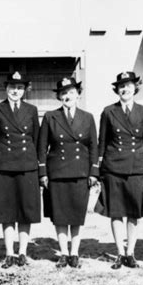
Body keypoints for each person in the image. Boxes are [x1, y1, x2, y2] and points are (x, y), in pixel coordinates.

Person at [38, 77, 99, 268]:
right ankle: (63, 253)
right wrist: (43, 173)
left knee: (76, 215)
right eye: (63, 93)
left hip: (80, 173)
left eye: (71, 92)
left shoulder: (87, 117)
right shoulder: (50, 117)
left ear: (78, 95)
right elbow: (42, 147)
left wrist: (93, 172)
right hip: (57, 173)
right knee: (60, 215)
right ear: (59, 96)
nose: (67, 96)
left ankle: (75, 253)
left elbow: (93, 147)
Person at [95, 71, 143, 269]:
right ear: (116, 90)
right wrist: (98, 170)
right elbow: (102, 143)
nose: (125, 89)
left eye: (128, 86)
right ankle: (120, 252)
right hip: (113, 168)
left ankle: (131, 253)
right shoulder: (108, 111)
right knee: (116, 212)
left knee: (133, 212)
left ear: (135, 88)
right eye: (121, 86)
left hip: (136, 168)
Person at [0, 71, 41, 268]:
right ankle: (9, 253)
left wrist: (38, 165)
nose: (15, 91)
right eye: (12, 88)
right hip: (4, 166)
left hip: (26, 165)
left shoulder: (32, 110)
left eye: (19, 88)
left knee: (26, 211)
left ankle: (23, 252)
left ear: (24, 90)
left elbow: (36, 139)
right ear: (6, 89)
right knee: (7, 211)